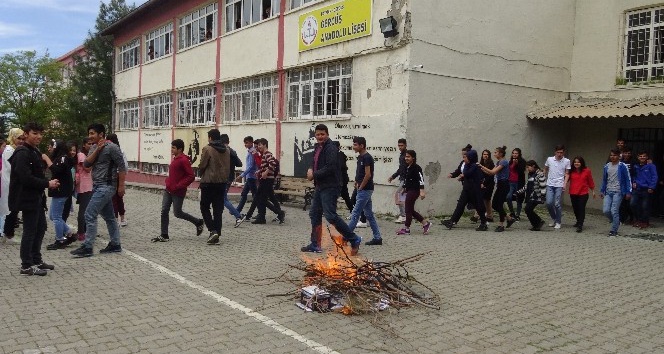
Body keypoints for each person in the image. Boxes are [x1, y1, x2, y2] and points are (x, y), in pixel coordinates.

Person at [301, 124, 362, 255]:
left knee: (330, 215)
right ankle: (315, 244)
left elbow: (330, 167)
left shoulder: (331, 148)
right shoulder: (318, 147)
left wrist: (314, 175)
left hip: (331, 186)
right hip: (320, 186)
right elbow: (314, 161)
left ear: (327, 134)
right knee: (314, 213)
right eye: (317, 134)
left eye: (322, 134)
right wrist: (311, 168)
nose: (320, 136)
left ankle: (354, 239)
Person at [9, 122, 60, 275]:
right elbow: (25, 178)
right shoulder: (22, 152)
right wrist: (47, 183)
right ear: (26, 134)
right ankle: (26, 265)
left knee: (40, 228)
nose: (38, 136)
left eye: (40, 133)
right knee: (30, 231)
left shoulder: (34, 151)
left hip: (36, 197)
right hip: (27, 198)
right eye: (34, 133)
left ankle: (36, 260)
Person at [70, 123, 127, 257]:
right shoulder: (94, 147)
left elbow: (122, 167)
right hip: (96, 186)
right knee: (109, 217)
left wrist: (121, 186)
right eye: (89, 133)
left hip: (107, 186)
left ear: (101, 134)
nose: (90, 136)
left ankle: (88, 247)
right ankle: (115, 244)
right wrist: (97, 150)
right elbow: (86, 164)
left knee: (89, 214)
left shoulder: (112, 147)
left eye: (92, 133)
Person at [153, 139, 205, 242]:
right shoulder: (175, 158)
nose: (171, 149)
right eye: (171, 147)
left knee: (177, 213)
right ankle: (164, 235)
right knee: (164, 211)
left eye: (173, 148)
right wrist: (169, 182)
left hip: (178, 191)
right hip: (168, 190)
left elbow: (191, 176)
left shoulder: (184, 160)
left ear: (180, 149)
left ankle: (198, 222)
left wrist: (178, 185)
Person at [347, 137, 383, 245]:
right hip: (362, 188)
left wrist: (361, 186)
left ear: (362, 146)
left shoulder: (367, 157)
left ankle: (346, 236)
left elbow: (368, 174)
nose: (354, 147)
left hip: (365, 189)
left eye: (355, 145)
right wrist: (356, 182)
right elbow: (360, 172)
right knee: (369, 215)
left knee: (355, 213)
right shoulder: (360, 157)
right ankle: (377, 238)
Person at [441, 149, 488, 231]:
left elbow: (467, 173)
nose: (464, 159)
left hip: (474, 190)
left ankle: (484, 223)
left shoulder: (475, 166)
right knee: (460, 204)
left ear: (471, 158)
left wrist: (463, 175)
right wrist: (460, 175)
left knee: (478, 206)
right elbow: (464, 172)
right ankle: (452, 221)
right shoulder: (467, 165)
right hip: (467, 189)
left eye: (466, 157)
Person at [198, 129, 229, 245]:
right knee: (218, 209)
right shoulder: (226, 150)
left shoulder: (208, 149)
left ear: (210, 138)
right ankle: (217, 233)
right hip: (222, 183)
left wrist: (201, 174)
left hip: (208, 182)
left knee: (204, 206)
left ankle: (212, 230)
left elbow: (202, 165)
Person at [44, 139, 77, 250]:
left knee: (57, 217)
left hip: (61, 191)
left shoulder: (63, 158)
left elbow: (57, 170)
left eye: (52, 146)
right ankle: (69, 233)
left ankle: (60, 239)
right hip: (60, 191)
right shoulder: (60, 157)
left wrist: (47, 159)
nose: (50, 149)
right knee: (52, 216)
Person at [478, 146, 516, 232]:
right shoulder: (499, 162)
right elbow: (491, 173)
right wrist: (481, 168)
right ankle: (509, 218)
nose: (494, 154)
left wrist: (481, 166)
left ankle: (501, 225)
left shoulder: (504, 162)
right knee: (495, 204)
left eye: (496, 152)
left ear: (501, 154)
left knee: (499, 204)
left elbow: (492, 172)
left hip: (504, 184)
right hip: (500, 184)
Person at [397, 150, 432, 235]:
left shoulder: (416, 167)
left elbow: (421, 179)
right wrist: (404, 188)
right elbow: (407, 179)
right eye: (406, 156)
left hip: (415, 190)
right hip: (409, 190)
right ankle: (425, 223)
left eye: (408, 156)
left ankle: (406, 228)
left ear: (413, 157)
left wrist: (422, 191)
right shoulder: (407, 167)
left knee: (408, 209)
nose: (406, 158)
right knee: (410, 210)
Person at [251, 138, 285, 225]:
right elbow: (266, 166)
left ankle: (278, 213)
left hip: (267, 180)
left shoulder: (267, 154)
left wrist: (266, 172)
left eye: (259, 145)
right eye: (258, 145)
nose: (258, 147)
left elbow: (273, 163)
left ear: (265, 145)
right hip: (265, 180)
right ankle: (262, 217)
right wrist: (260, 171)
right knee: (261, 198)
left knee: (261, 198)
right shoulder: (264, 154)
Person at [600, 148, 632, 237]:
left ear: (619, 156)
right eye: (611, 155)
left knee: (614, 210)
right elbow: (604, 179)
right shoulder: (606, 166)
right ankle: (616, 221)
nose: (612, 157)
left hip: (618, 191)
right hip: (608, 191)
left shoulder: (622, 166)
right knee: (606, 210)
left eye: (614, 155)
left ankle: (614, 230)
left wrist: (628, 192)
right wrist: (602, 190)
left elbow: (627, 179)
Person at [0, 128, 24, 243]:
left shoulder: (14, 149)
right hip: (10, 183)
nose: (21, 141)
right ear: (12, 137)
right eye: (18, 138)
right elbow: (12, 167)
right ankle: (8, 234)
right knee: (11, 209)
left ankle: (8, 233)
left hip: (12, 182)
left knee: (13, 208)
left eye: (22, 138)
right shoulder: (10, 150)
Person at [544, 144, 571, 229]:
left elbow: (567, 173)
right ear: (555, 152)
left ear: (564, 152)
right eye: (558, 152)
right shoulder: (550, 159)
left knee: (557, 204)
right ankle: (554, 218)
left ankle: (558, 221)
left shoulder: (566, 161)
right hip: (550, 184)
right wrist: (543, 177)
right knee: (548, 203)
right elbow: (545, 169)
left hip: (559, 184)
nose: (560, 154)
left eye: (561, 152)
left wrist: (565, 184)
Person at [220, 134, 244, 228]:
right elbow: (239, 163)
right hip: (230, 177)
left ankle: (238, 216)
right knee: (222, 198)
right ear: (228, 142)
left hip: (224, 177)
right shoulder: (232, 151)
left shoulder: (223, 151)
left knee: (223, 199)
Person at [516, 160, 547, 231]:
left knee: (528, 209)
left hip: (537, 196)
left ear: (533, 166)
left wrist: (543, 196)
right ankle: (537, 223)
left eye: (528, 167)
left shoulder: (540, 174)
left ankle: (538, 222)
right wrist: (518, 192)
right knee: (528, 210)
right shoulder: (530, 174)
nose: (527, 169)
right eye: (526, 167)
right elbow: (526, 186)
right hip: (531, 196)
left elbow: (543, 186)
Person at [630, 151, 658, 229]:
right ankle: (638, 219)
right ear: (638, 157)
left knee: (645, 206)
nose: (642, 157)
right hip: (637, 189)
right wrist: (634, 182)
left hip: (646, 189)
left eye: (644, 156)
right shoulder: (636, 166)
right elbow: (633, 176)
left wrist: (651, 187)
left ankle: (645, 222)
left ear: (647, 157)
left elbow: (654, 176)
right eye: (640, 156)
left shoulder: (651, 166)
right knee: (633, 204)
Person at [568, 156, 596, 233]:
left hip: (583, 193)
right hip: (573, 192)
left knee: (581, 208)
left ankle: (580, 224)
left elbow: (590, 181)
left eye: (578, 162)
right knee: (575, 208)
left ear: (581, 163)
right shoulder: (571, 171)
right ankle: (578, 221)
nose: (576, 163)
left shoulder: (587, 171)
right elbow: (566, 179)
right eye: (575, 162)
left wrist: (593, 190)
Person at [75, 137, 93, 241]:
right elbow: (87, 169)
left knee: (86, 209)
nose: (90, 146)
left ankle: (85, 230)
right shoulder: (81, 155)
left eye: (91, 144)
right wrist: (94, 161)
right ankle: (81, 232)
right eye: (88, 144)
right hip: (84, 186)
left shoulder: (86, 155)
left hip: (88, 185)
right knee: (83, 210)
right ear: (84, 145)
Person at [107, 134, 128, 226]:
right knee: (119, 198)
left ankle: (115, 220)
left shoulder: (113, 151)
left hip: (114, 177)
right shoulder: (120, 151)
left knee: (114, 199)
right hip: (118, 176)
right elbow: (125, 167)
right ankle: (122, 219)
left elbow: (123, 166)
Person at [235, 136, 258, 214]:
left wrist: (242, 175)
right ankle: (238, 210)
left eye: (247, 143)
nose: (245, 144)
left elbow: (251, 166)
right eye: (245, 143)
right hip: (249, 176)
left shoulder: (252, 152)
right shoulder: (250, 151)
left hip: (252, 176)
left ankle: (261, 212)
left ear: (251, 142)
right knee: (244, 194)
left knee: (256, 196)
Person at [387, 139, 407, 223]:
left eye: (402, 145)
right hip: (402, 178)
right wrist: (393, 176)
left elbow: (407, 168)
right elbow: (401, 168)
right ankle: (405, 215)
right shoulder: (401, 155)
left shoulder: (406, 155)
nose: (400, 147)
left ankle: (403, 216)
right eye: (399, 145)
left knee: (399, 195)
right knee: (402, 197)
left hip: (406, 179)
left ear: (405, 145)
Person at [507, 148, 526, 221]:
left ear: (519, 154)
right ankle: (512, 212)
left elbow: (521, 172)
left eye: (516, 153)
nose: (514, 155)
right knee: (508, 197)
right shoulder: (510, 161)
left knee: (519, 198)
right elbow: (509, 170)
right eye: (513, 153)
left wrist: (517, 164)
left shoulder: (522, 161)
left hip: (518, 182)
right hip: (511, 182)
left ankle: (517, 214)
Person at [619, 147, 636, 224]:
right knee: (621, 203)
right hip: (620, 185)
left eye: (629, 153)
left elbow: (636, 173)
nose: (627, 154)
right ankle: (622, 219)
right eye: (625, 153)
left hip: (630, 185)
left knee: (629, 203)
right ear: (622, 153)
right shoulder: (620, 162)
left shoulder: (633, 162)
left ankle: (632, 217)